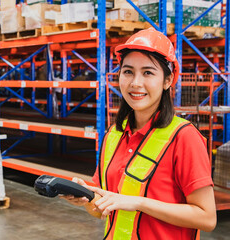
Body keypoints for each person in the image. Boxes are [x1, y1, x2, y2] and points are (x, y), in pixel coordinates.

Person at [61, 27, 217, 240]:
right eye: (128, 71)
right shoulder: (113, 135)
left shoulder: (184, 138)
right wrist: (87, 197)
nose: (135, 83)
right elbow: (100, 211)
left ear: (167, 80)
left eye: (148, 72)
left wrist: (138, 202)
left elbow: (207, 218)